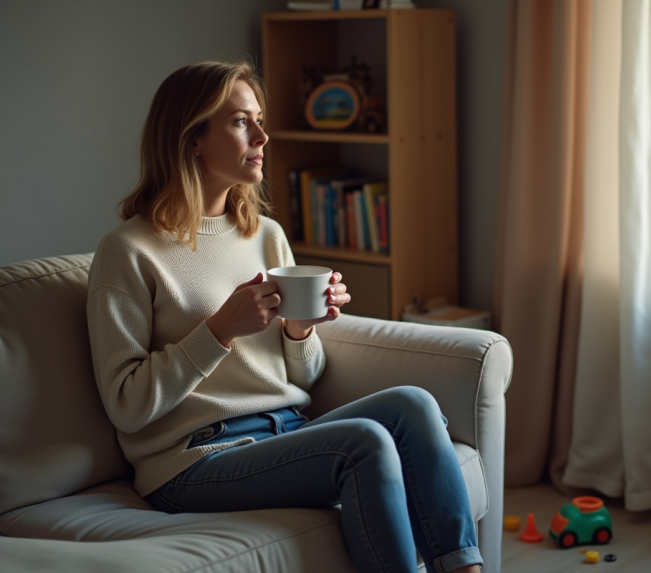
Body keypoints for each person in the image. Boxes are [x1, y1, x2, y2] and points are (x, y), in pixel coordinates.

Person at [86, 61, 482, 573]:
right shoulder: (128, 251)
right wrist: (220, 330)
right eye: (239, 121)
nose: (262, 135)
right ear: (192, 140)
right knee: (363, 443)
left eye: (259, 119)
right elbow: (126, 405)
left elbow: (303, 375)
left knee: (414, 404)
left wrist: (300, 329)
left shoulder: (265, 234)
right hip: (192, 461)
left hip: (285, 431)